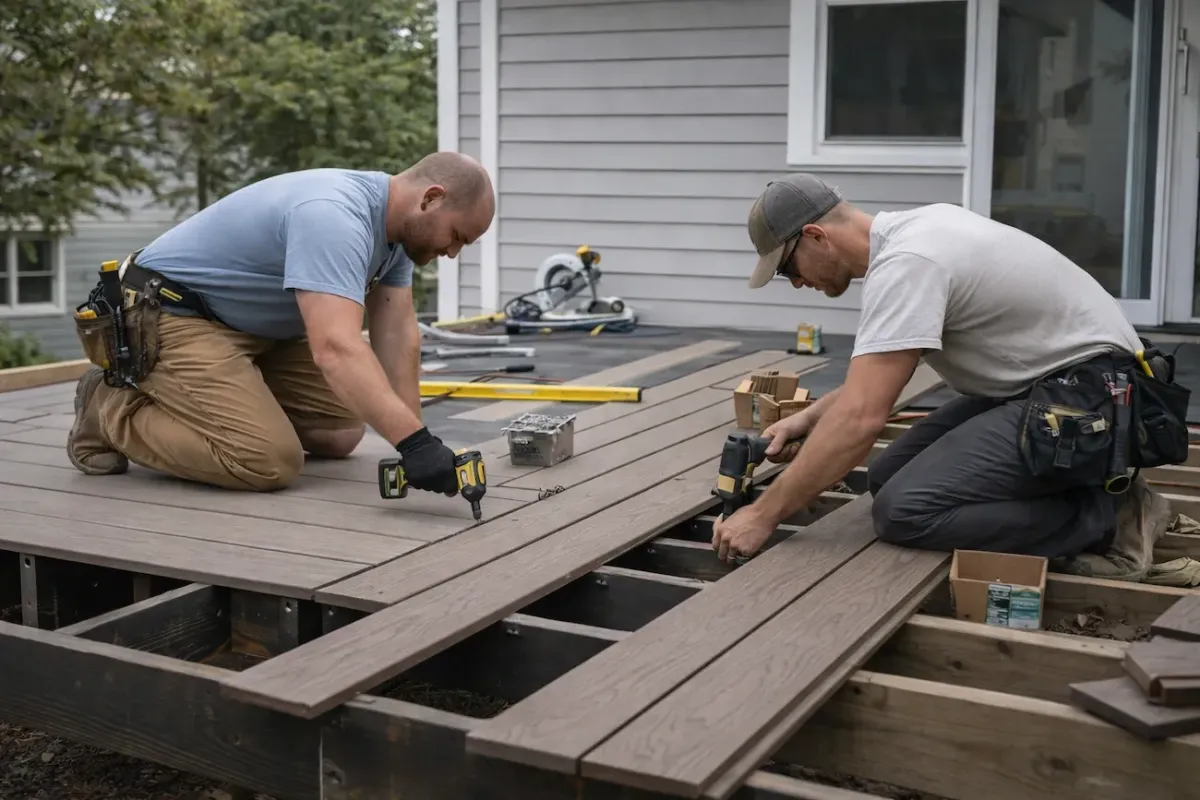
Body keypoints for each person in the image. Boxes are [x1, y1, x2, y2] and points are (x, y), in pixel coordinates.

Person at [712, 173, 1192, 583]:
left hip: (1093, 404)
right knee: (885, 476)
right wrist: (809, 420)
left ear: (815, 235)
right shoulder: (921, 229)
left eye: (789, 268)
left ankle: (1112, 518)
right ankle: (1079, 492)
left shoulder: (909, 264)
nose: (796, 283)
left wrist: (763, 514)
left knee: (905, 511)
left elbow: (862, 418)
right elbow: (873, 381)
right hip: (1062, 391)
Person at [67, 151, 495, 495]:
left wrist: (417, 442)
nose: (453, 252)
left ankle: (224, 400)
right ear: (432, 198)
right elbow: (334, 347)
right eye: (457, 236)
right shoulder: (335, 214)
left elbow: (398, 336)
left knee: (342, 432)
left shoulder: (398, 236)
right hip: (169, 314)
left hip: (250, 329)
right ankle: (107, 410)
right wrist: (414, 444)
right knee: (266, 460)